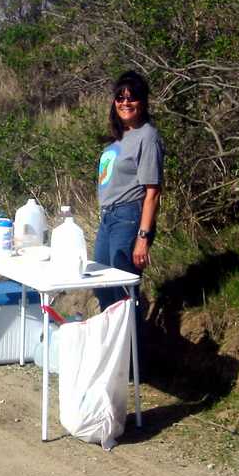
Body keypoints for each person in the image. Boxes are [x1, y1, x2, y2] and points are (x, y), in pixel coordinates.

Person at [94, 70, 164, 311]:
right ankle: (112, 344)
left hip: (128, 216)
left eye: (131, 98)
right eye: (120, 98)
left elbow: (152, 192)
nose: (125, 103)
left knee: (122, 286)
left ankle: (132, 347)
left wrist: (142, 239)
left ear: (142, 102)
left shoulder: (148, 136)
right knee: (101, 284)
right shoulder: (118, 138)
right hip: (107, 217)